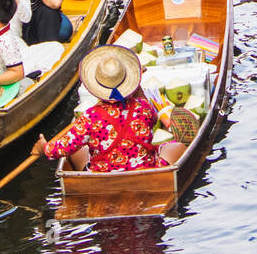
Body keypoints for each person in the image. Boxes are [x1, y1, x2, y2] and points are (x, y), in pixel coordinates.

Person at [31, 46, 173, 172]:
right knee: (172, 147)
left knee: (79, 151)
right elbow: (153, 120)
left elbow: (63, 148)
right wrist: (136, 85)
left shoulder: (90, 117)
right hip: (143, 170)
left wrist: (44, 148)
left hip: (104, 175)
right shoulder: (143, 107)